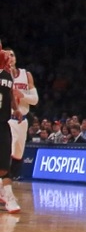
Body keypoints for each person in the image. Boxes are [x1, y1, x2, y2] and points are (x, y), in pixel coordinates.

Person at [5, 49, 38, 184]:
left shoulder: (26, 74)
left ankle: (7, 184)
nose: (10, 58)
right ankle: (4, 187)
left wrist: (22, 95)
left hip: (22, 120)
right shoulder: (2, 76)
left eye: (12, 55)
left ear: (16, 58)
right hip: (7, 119)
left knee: (17, 155)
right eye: (7, 56)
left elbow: (35, 100)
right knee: (7, 153)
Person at [0, 45, 21, 213]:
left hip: (3, 124)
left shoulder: (7, 75)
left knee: (4, 165)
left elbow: (10, 94)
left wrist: (16, 109)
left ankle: (8, 196)